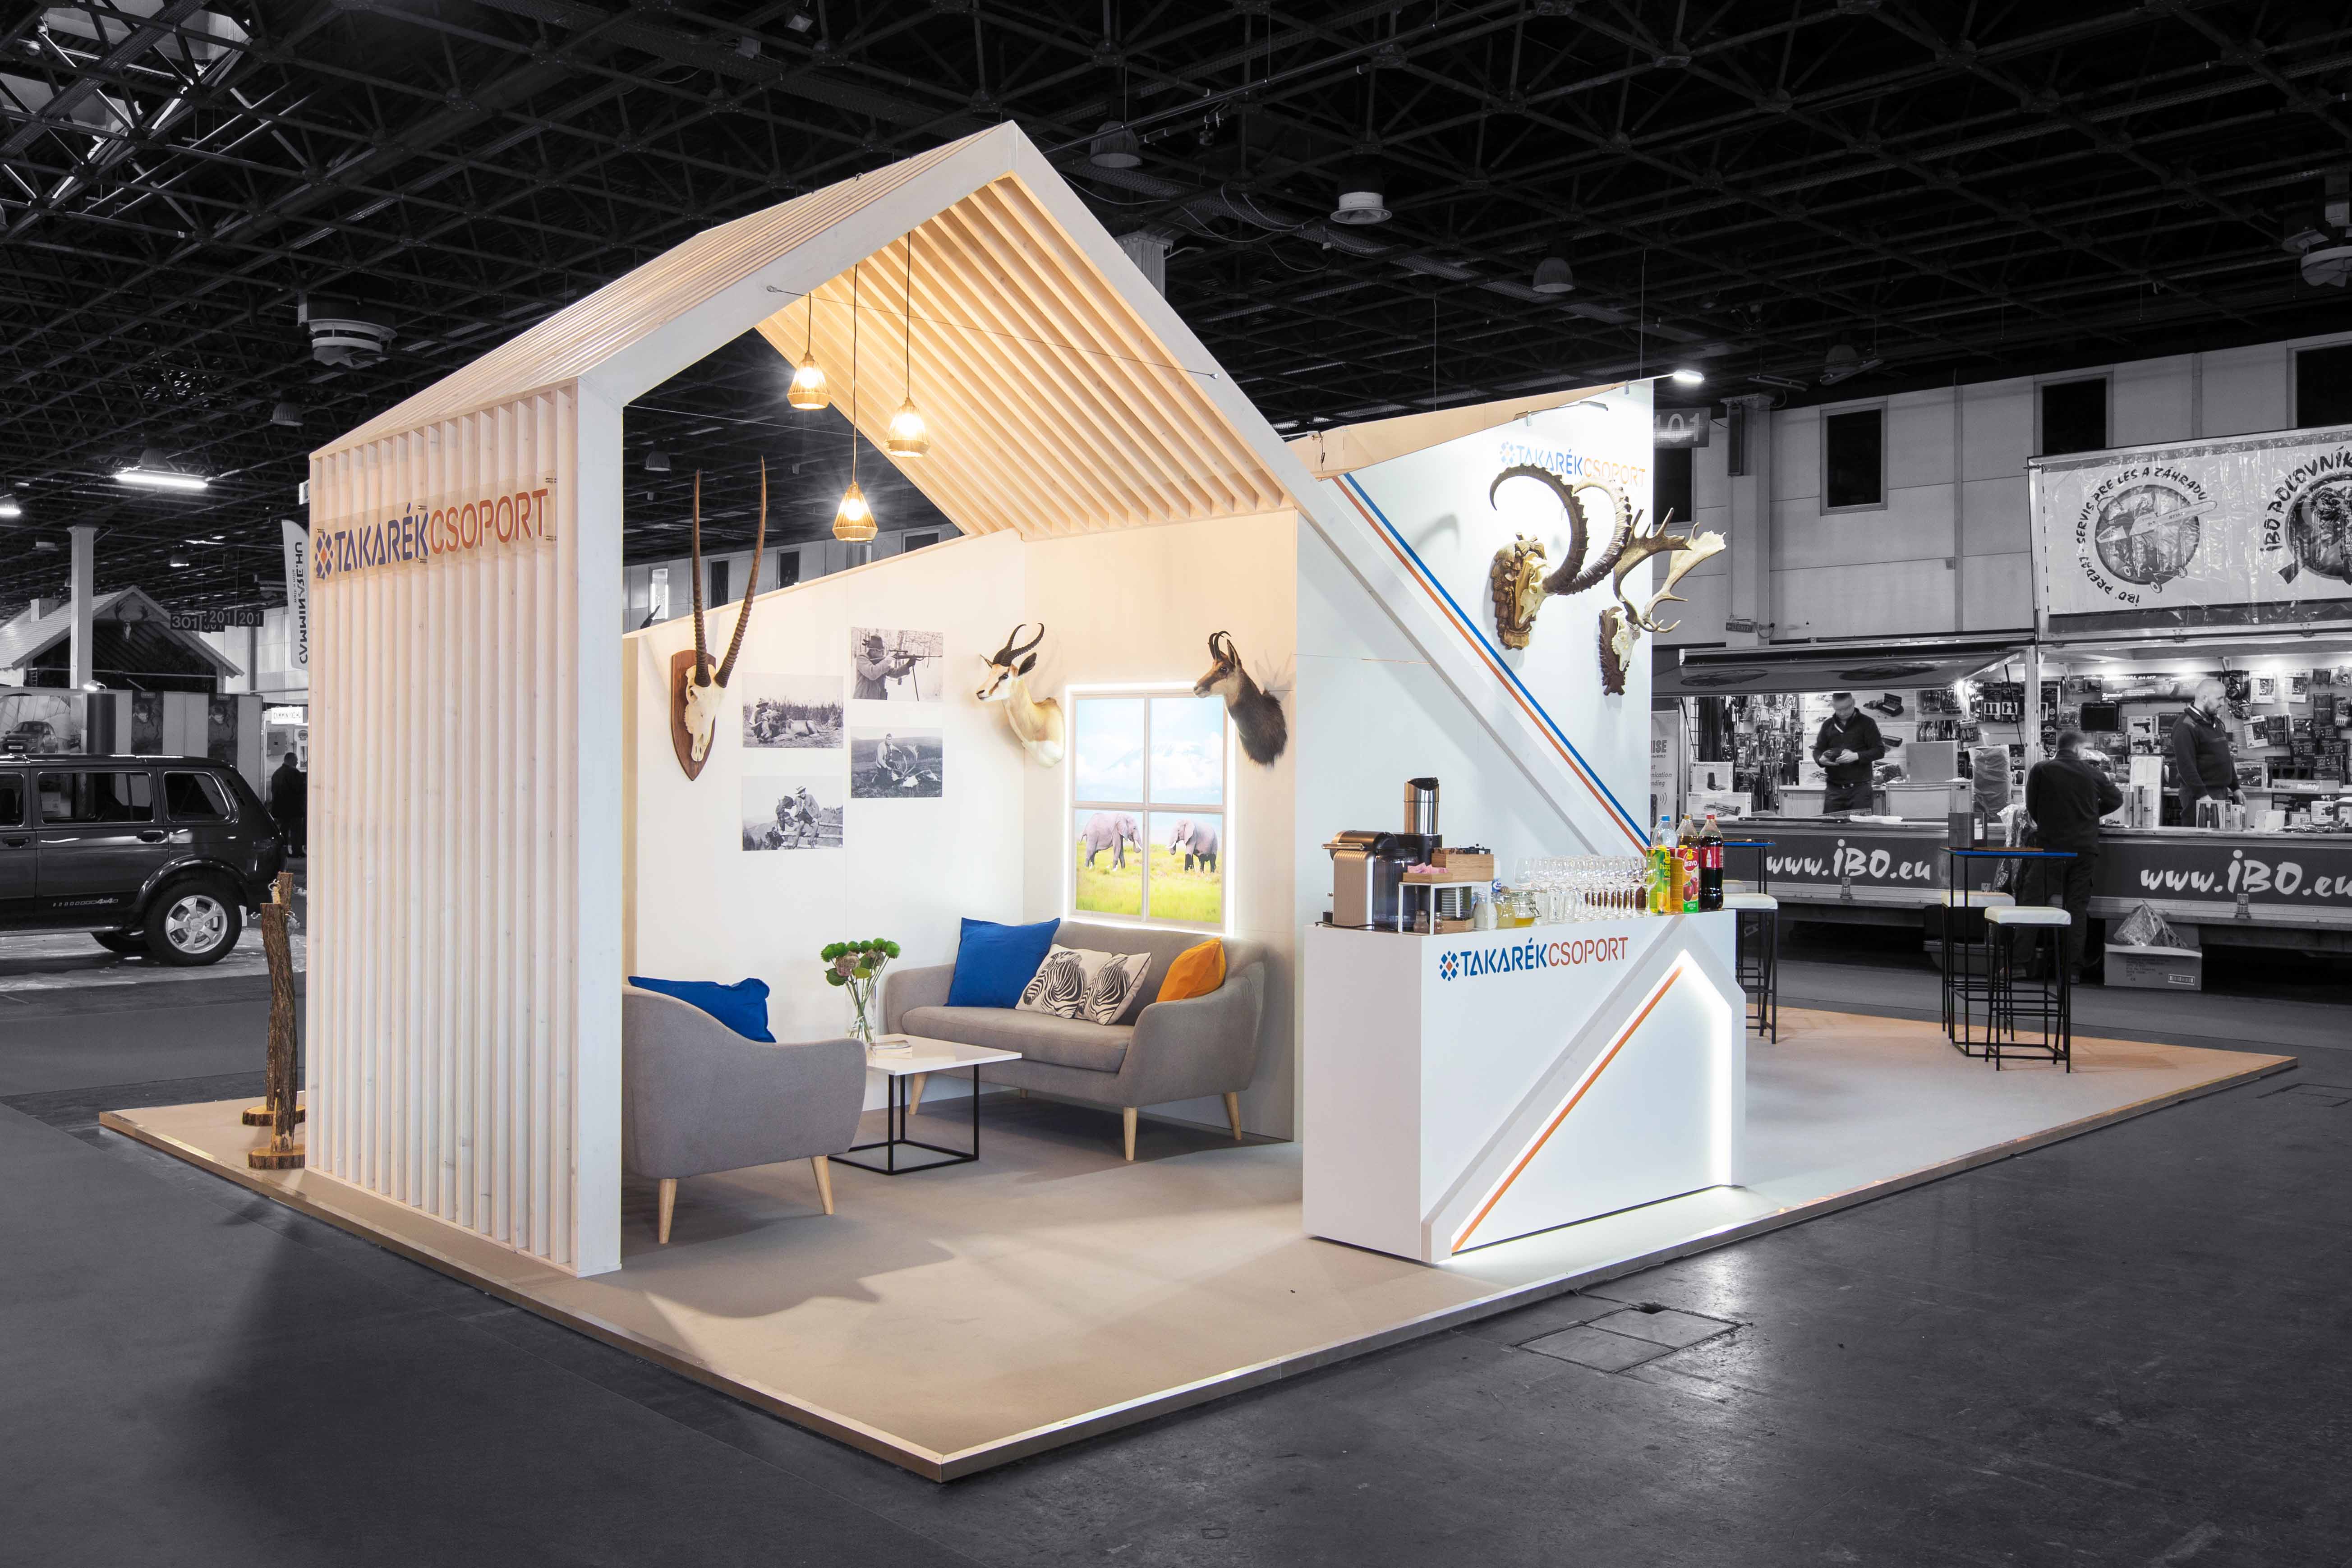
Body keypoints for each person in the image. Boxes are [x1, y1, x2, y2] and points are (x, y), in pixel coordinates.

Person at [2024, 730, 2123, 978]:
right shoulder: (2092, 773)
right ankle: (2072, 971)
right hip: (2084, 850)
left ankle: (2018, 964)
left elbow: (2031, 807)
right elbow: (2116, 800)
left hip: (2051, 849)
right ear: (2078, 749)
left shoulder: (2041, 769)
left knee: (2031, 903)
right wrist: (2091, 815)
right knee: (2076, 909)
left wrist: (2049, 822)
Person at [2168, 679, 2240, 819]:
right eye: (2219, 699)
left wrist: (2235, 787)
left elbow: (2225, 757)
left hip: (2220, 792)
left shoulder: (2215, 723)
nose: (2223, 703)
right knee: (2200, 833)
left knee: (2220, 833)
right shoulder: (2185, 726)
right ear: (2204, 698)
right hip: (2200, 796)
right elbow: (2186, 767)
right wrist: (2203, 795)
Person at [1811, 691, 1886, 814]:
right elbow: (1818, 750)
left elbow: (1879, 751)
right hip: (1834, 790)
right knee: (1830, 825)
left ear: (1854, 703)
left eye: (1846, 708)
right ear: (1833, 706)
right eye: (1838, 710)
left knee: (1860, 825)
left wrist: (1856, 756)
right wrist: (1820, 759)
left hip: (1860, 790)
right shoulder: (1828, 725)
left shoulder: (1867, 723)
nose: (1842, 713)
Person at [852, 634, 916, 700]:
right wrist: (886, 662)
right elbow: (872, 674)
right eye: (881, 651)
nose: (883, 653)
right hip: (863, 699)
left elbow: (895, 673)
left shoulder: (881, 663)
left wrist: (908, 665)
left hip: (878, 698)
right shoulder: (862, 658)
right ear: (874, 650)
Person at [269, 752, 307, 859]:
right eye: (296, 760)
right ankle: (297, 851)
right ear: (291, 760)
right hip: (294, 808)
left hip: (279, 809)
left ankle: (284, 852)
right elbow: (301, 790)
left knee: (283, 832)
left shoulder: (277, 773)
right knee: (296, 831)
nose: (298, 762)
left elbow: (273, 791)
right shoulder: (294, 773)